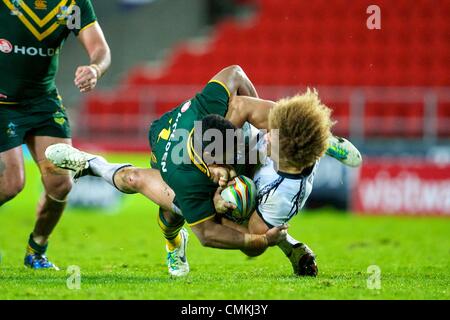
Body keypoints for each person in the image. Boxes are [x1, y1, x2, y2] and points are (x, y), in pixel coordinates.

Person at [45, 66, 361, 277]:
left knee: (247, 117)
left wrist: (264, 125)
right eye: (221, 170)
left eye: (230, 164)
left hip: (196, 125)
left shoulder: (217, 112)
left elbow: (235, 72)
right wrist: (257, 242)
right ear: (206, 164)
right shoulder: (185, 178)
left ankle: (315, 134)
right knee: (152, 195)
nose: (227, 175)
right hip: (165, 148)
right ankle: (91, 164)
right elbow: (208, 235)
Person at [0, 0, 111, 269]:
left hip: (43, 103)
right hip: (2, 104)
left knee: (61, 185)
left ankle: (36, 250)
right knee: (11, 183)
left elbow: (100, 48)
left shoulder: (72, 4)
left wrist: (94, 68)